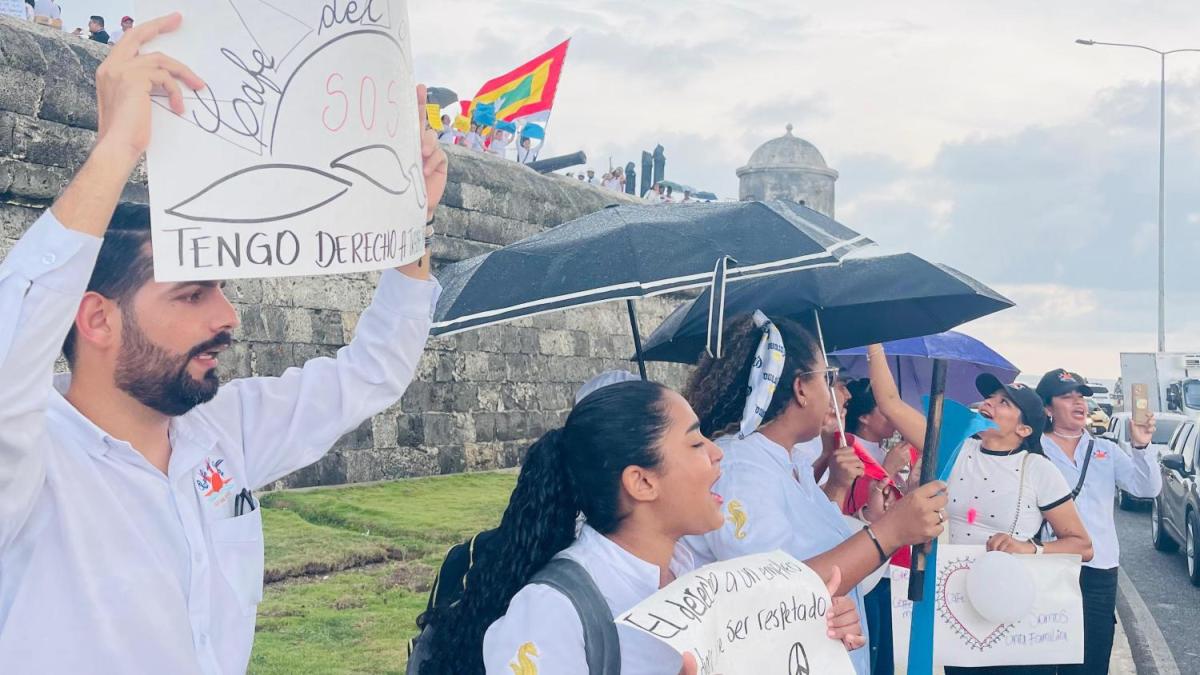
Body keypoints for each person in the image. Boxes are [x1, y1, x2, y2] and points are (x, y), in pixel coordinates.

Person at [0, 14, 448, 674]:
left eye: (221, 288)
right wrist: (115, 152)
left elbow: (373, 370)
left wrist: (407, 221)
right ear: (95, 320)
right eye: (192, 294)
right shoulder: (29, 465)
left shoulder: (226, 431)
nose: (228, 313)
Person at [415, 380, 864, 675]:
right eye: (695, 441)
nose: (718, 453)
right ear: (642, 481)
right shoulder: (556, 612)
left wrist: (806, 640)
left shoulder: (704, 574)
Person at [682, 314, 950, 675]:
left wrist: (898, 519)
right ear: (801, 389)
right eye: (828, 378)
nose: (836, 392)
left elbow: (841, 569)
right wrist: (891, 533)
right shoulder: (741, 468)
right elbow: (769, 590)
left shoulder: (789, 464)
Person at [863, 345, 1094, 675]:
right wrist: (876, 345)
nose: (989, 403)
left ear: (1025, 429)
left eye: (1003, 403)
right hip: (958, 607)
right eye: (990, 398)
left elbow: (1082, 545)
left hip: (1016, 615)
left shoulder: (1038, 470)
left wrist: (1029, 548)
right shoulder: (954, 449)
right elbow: (890, 403)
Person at [1037, 369, 1159, 675]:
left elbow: (1146, 489)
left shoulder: (1105, 449)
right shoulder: (1034, 450)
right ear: (1047, 409)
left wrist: (1142, 446)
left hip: (1098, 572)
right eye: (1067, 396)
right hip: (1045, 566)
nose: (1079, 403)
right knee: (1044, 656)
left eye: (1081, 396)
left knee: (1091, 660)